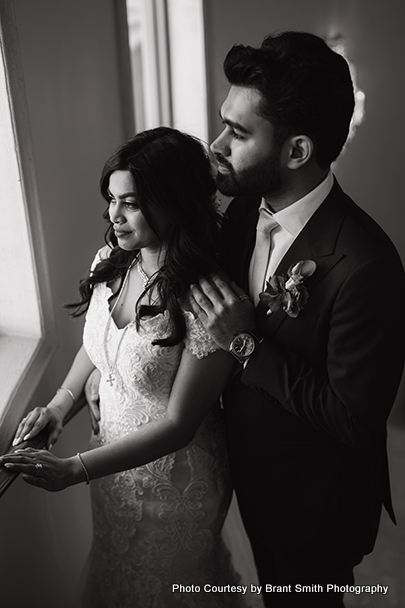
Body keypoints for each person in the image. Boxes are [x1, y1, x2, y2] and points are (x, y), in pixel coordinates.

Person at [188, 32, 405, 608]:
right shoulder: (239, 214)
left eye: (237, 134)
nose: (217, 144)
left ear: (297, 151)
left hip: (315, 503)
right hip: (248, 478)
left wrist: (246, 345)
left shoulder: (366, 265)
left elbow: (354, 421)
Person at [0, 127, 248, 608]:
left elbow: (179, 425)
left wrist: (74, 469)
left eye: (130, 203)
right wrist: (58, 406)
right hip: (111, 472)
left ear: (174, 202)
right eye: (111, 199)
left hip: (175, 487)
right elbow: (97, 349)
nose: (114, 216)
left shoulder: (208, 301)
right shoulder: (115, 263)